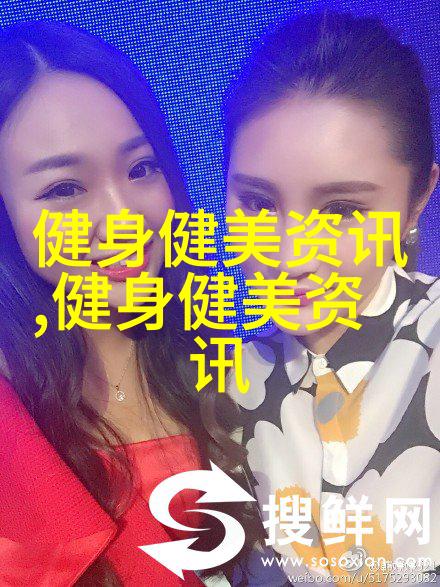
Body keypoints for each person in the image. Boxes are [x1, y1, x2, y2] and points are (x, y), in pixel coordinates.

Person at [0, 20, 248, 586]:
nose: (123, 218)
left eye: (141, 169)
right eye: (64, 188)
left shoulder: (234, 372)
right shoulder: (10, 423)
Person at [223, 11, 440, 585]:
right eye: (258, 204)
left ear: (417, 200)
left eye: (341, 211)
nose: (290, 255)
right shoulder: (222, 390)